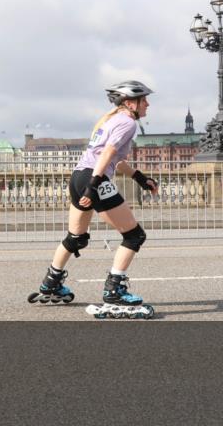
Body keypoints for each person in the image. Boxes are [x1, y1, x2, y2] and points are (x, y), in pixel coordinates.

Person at [27, 80, 160, 318]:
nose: (148, 104)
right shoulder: (128, 123)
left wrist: (139, 177)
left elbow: (113, 158)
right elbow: (108, 154)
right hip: (92, 179)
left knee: (76, 237)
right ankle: (114, 291)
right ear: (131, 103)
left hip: (78, 176)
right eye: (144, 100)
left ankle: (51, 282)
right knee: (134, 235)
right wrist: (95, 186)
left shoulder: (109, 120)